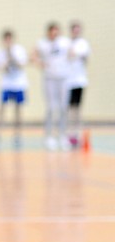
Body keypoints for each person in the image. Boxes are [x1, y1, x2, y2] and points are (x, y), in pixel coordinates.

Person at [33, 22, 71, 151]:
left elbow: (72, 53)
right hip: (49, 79)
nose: (54, 34)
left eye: (56, 31)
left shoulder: (65, 42)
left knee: (63, 107)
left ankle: (62, 135)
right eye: (52, 31)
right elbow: (33, 55)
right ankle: (49, 136)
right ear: (48, 32)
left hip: (63, 78)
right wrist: (41, 64)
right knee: (50, 107)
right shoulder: (42, 43)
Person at [0, 30, 29, 147]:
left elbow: (21, 65)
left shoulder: (19, 50)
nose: (8, 41)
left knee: (18, 110)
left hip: (19, 84)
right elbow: (2, 67)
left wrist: (12, 55)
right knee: (2, 108)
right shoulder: (0, 53)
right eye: (6, 39)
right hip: (7, 84)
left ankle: (18, 134)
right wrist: (7, 57)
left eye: (10, 39)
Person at [66, 21, 90, 149]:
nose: (76, 32)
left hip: (79, 80)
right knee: (69, 108)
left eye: (78, 30)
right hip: (68, 81)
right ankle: (69, 135)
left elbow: (79, 55)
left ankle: (77, 133)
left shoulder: (83, 44)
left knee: (78, 108)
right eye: (74, 30)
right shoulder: (66, 42)